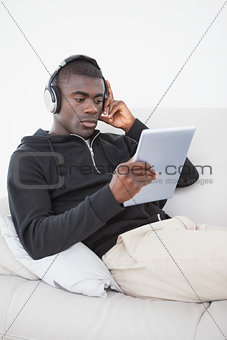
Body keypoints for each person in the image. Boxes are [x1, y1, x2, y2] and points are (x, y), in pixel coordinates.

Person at [7, 55, 227, 303]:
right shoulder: (30, 158)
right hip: (128, 252)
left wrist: (131, 125)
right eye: (79, 99)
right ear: (53, 101)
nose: (91, 108)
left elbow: (187, 176)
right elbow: (37, 240)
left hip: (178, 230)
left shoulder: (117, 143)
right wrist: (112, 196)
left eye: (98, 100)